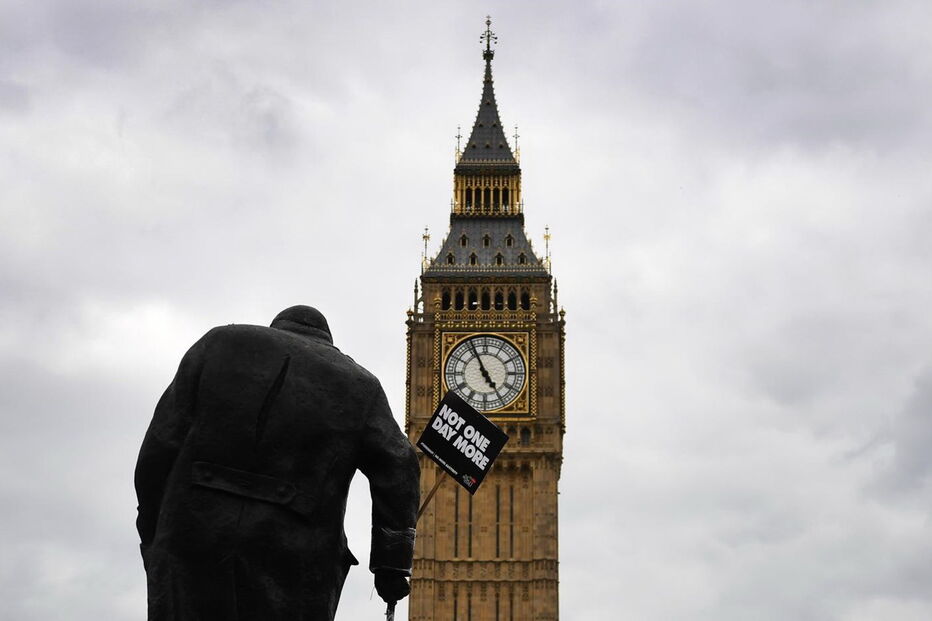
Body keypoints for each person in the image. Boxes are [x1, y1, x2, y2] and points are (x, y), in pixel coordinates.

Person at [134, 305, 419, 620]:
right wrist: (391, 566)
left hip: (192, 539)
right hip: (295, 555)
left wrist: (151, 529)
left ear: (276, 326)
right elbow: (400, 465)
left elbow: (158, 448)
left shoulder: (216, 343)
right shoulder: (361, 385)